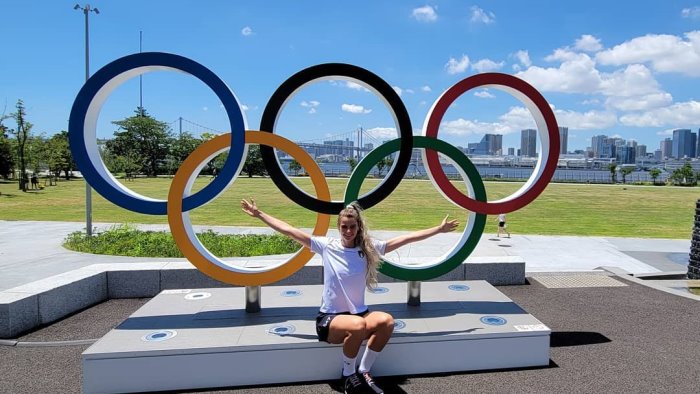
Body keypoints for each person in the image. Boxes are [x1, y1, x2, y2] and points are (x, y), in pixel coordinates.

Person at [240, 198, 458, 394]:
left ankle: (363, 370)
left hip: (358, 315)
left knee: (386, 321)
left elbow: (405, 239)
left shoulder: (368, 249)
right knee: (357, 326)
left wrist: (438, 230)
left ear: (358, 227)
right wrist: (259, 214)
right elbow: (289, 230)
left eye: (352, 226)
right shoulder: (327, 246)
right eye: (344, 226)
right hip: (330, 319)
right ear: (339, 227)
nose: (348, 231)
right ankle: (347, 375)